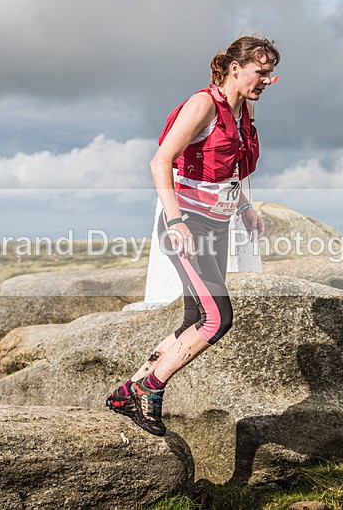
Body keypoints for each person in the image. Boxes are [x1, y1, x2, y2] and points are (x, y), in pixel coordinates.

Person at [106, 36, 280, 436]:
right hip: (187, 225)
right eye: (261, 71)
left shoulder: (244, 109)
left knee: (196, 316)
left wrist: (243, 208)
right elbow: (160, 161)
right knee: (217, 320)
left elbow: (232, 168)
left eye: (270, 73)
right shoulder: (203, 104)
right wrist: (176, 220)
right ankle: (150, 387)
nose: (266, 81)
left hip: (218, 225)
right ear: (235, 69)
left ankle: (125, 390)